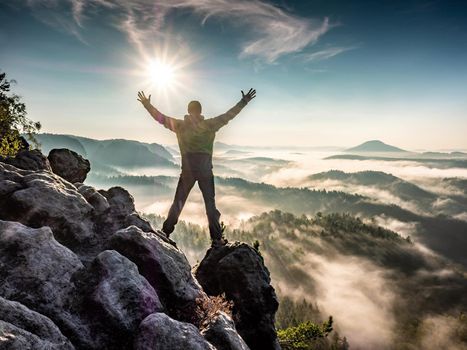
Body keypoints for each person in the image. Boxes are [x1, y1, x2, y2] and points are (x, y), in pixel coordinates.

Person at [137, 88, 256, 247]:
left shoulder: (179, 126)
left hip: (188, 171)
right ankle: (216, 239)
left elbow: (160, 118)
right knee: (210, 204)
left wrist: (146, 104)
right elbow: (229, 115)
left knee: (179, 201)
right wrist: (244, 101)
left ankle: (165, 231)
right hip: (205, 171)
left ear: (188, 111)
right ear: (200, 112)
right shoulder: (210, 124)